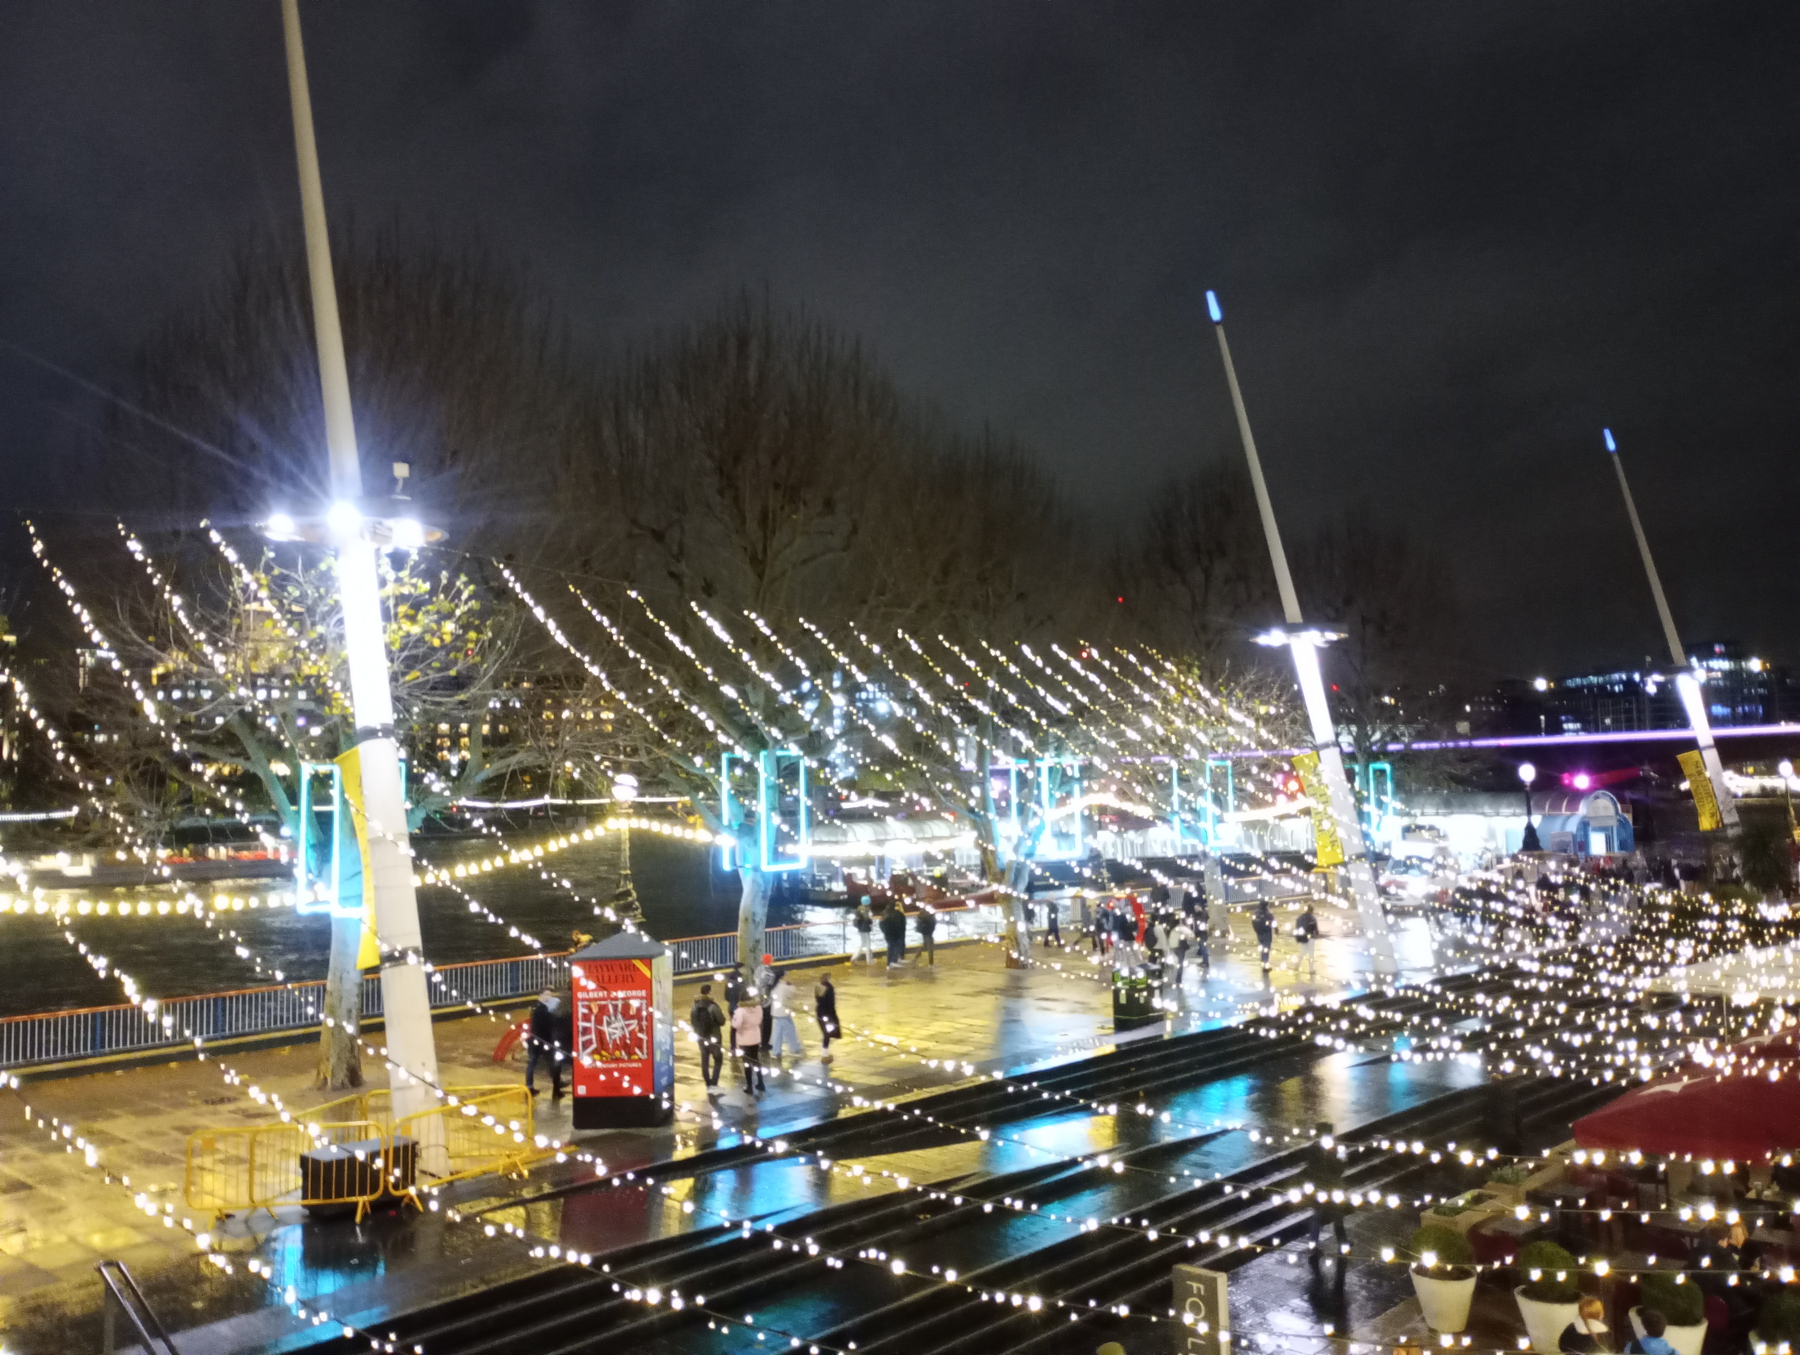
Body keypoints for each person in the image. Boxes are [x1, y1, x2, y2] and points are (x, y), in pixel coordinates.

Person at [1305, 1121, 1349, 1263]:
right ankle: (1342, 1244)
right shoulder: (1332, 1149)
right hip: (1331, 1187)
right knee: (1336, 1216)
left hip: (1321, 1188)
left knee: (1319, 1217)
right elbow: (1340, 1167)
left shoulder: (1313, 1148)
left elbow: (1310, 1169)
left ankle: (1314, 1246)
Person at [524, 990, 564, 1098]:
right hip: (542, 1042)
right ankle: (555, 1084)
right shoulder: (541, 1009)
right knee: (548, 1063)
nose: (549, 997)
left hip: (537, 1041)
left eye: (550, 994)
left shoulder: (538, 1008)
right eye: (546, 994)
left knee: (542, 1063)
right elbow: (549, 1023)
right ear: (540, 995)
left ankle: (530, 1086)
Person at [689, 983, 726, 1089]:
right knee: (718, 1060)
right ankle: (714, 1082)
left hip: (701, 1037)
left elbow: (693, 1021)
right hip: (714, 1038)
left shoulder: (695, 1006)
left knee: (705, 1060)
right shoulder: (713, 1006)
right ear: (709, 992)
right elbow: (722, 1021)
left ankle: (707, 1082)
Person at [768, 969, 805, 1064]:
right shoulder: (784, 987)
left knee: (777, 1033)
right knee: (790, 1031)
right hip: (783, 1012)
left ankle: (776, 1052)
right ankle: (794, 1049)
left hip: (776, 1012)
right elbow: (792, 993)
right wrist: (791, 983)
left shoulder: (773, 986)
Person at [732, 992, 766, 1094]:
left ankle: (749, 1086)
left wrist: (733, 1021)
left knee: (747, 1063)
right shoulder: (758, 1008)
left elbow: (736, 1024)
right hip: (755, 1037)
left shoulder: (740, 1010)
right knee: (756, 1060)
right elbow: (759, 1020)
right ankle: (760, 1082)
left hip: (744, 1039)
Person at [551, 994, 574, 1103]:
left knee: (557, 1065)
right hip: (568, 1042)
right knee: (575, 1065)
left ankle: (556, 1090)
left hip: (557, 1041)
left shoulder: (560, 1005)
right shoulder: (572, 1005)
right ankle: (576, 1087)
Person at [814, 971, 840, 1060]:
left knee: (826, 1033)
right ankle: (824, 1054)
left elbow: (818, 1000)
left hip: (820, 1014)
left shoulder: (819, 987)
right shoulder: (829, 988)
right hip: (827, 1015)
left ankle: (825, 1052)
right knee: (827, 1034)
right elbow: (830, 1002)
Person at [723, 964, 746, 1053]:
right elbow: (744, 996)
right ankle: (742, 1045)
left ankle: (733, 1046)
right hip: (740, 1008)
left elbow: (726, 997)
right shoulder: (741, 983)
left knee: (733, 1028)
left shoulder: (729, 982)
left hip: (732, 1008)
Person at [1294, 903, 1319, 981]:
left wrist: (1299, 936)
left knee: (1302, 952)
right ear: (1312, 910)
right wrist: (1316, 934)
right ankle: (1311, 970)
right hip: (1310, 937)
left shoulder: (1301, 917)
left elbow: (1297, 926)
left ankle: (1297, 964)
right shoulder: (1312, 918)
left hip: (1303, 937)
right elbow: (1316, 929)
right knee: (1311, 954)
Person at [880, 901, 908, 967]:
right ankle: (892, 962)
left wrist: (885, 932)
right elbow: (900, 925)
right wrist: (899, 933)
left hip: (888, 935)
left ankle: (891, 962)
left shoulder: (885, 914)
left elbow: (881, 924)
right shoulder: (897, 914)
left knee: (891, 947)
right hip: (895, 935)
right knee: (894, 947)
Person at [1169, 915, 1195, 985]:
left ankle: (1177, 978)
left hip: (1174, 948)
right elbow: (1191, 935)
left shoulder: (1172, 928)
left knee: (1178, 963)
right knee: (1180, 963)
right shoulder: (1181, 928)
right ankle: (1178, 979)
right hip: (1180, 947)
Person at [1253, 900, 1276, 975]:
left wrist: (1257, 931)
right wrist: (1276, 930)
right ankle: (1265, 966)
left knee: (1262, 949)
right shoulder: (1268, 914)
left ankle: (1263, 964)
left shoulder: (1256, 913)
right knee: (1266, 949)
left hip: (1260, 934)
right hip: (1267, 934)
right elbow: (1273, 923)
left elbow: (1253, 922)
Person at [851, 898, 876, 965]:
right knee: (868, 944)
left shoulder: (859, 908)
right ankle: (869, 961)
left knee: (862, 943)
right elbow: (869, 919)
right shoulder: (867, 909)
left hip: (860, 928)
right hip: (866, 928)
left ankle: (854, 957)